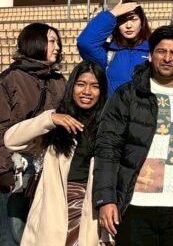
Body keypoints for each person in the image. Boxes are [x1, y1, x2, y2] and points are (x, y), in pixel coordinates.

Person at [94, 26, 173, 246]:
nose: (167, 58)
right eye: (161, 51)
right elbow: (107, 148)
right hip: (136, 205)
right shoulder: (127, 95)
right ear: (150, 55)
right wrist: (106, 199)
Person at [4, 61, 109, 246]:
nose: (87, 91)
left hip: (89, 209)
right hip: (53, 209)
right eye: (81, 84)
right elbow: (11, 140)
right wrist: (50, 119)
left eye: (94, 86)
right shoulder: (56, 121)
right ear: (71, 86)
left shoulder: (108, 125)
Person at [0, 23, 67, 246]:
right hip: (18, 166)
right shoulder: (10, 79)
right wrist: (4, 170)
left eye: (57, 41)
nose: (57, 47)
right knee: (13, 232)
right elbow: (1, 127)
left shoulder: (58, 80)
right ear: (34, 42)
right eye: (51, 41)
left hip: (49, 163)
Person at [77, 1, 151, 95]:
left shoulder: (153, 51)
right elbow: (85, 43)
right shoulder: (108, 52)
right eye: (122, 20)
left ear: (142, 22)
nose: (128, 25)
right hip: (114, 104)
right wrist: (112, 14)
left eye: (134, 19)